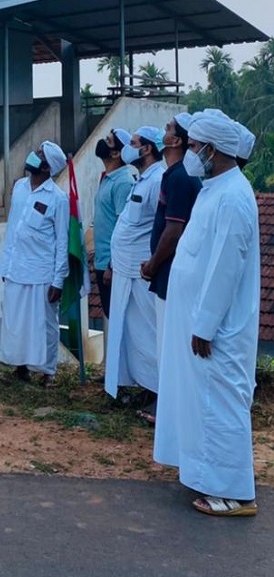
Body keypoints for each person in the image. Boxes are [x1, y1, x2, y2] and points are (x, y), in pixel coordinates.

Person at [153, 112, 260, 517]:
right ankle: (206, 476)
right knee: (204, 402)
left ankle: (235, 493)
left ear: (213, 151)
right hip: (202, 321)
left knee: (222, 404)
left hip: (218, 327)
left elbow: (225, 269)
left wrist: (205, 324)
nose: (191, 151)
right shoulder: (215, 189)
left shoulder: (234, 197)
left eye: (196, 146)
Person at [139, 114, 202, 423]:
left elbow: (173, 231)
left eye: (168, 129)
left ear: (176, 140)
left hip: (169, 273)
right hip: (167, 273)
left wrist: (152, 264)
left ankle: (170, 410)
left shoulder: (179, 177)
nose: (163, 131)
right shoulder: (175, 174)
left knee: (170, 346)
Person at [0, 141, 69, 387]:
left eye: (40, 154)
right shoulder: (19, 187)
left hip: (42, 273)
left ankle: (48, 371)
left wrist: (58, 280)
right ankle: (20, 367)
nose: (34, 155)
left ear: (47, 167)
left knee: (44, 325)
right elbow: (12, 230)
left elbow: (62, 242)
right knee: (16, 322)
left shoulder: (58, 198)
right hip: (16, 267)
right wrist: (6, 265)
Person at [104, 127, 165, 406]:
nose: (129, 147)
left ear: (148, 149)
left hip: (141, 271)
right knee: (129, 332)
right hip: (124, 269)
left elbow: (161, 227)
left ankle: (158, 392)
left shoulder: (157, 180)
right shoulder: (141, 179)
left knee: (149, 332)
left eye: (135, 143)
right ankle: (139, 384)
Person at [92, 128, 134, 320]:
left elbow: (122, 226)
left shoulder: (123, 183)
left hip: (112, 264)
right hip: (103, 262)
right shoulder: (108, 178)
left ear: (116, 153)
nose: (103, 141)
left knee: (119, 318)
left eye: (108, 141)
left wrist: (112, 264)